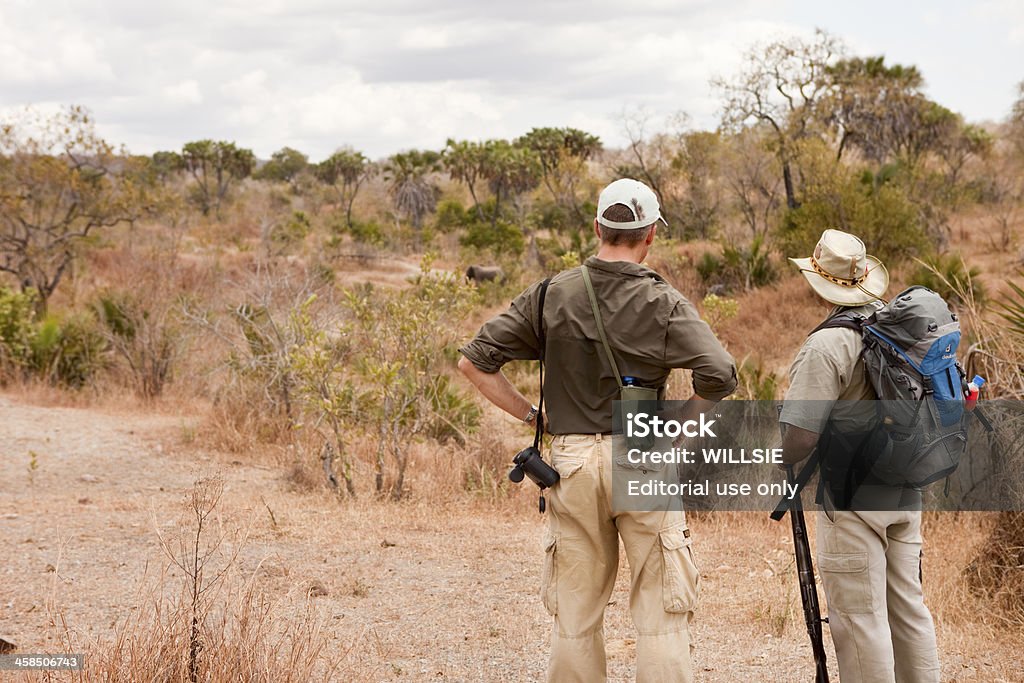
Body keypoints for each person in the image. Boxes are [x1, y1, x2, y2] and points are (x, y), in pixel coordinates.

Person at [458, 178, 737, 683]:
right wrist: (676, 430)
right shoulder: (664, 302)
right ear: (651, 234)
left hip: (570, 464)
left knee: (576, 616)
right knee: (660, 616)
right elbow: (720, 373)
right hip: (642, 456)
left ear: (597, 228)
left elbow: (474, 362)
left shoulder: (550, 294)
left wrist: (531, 417)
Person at [779, 229, 941, 683]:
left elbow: (801, 437)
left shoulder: (827, 345)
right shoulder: (900, 327)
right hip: (906, 487)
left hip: (851, 501)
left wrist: (780, 454)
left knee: (859, 619)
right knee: (908, 609)